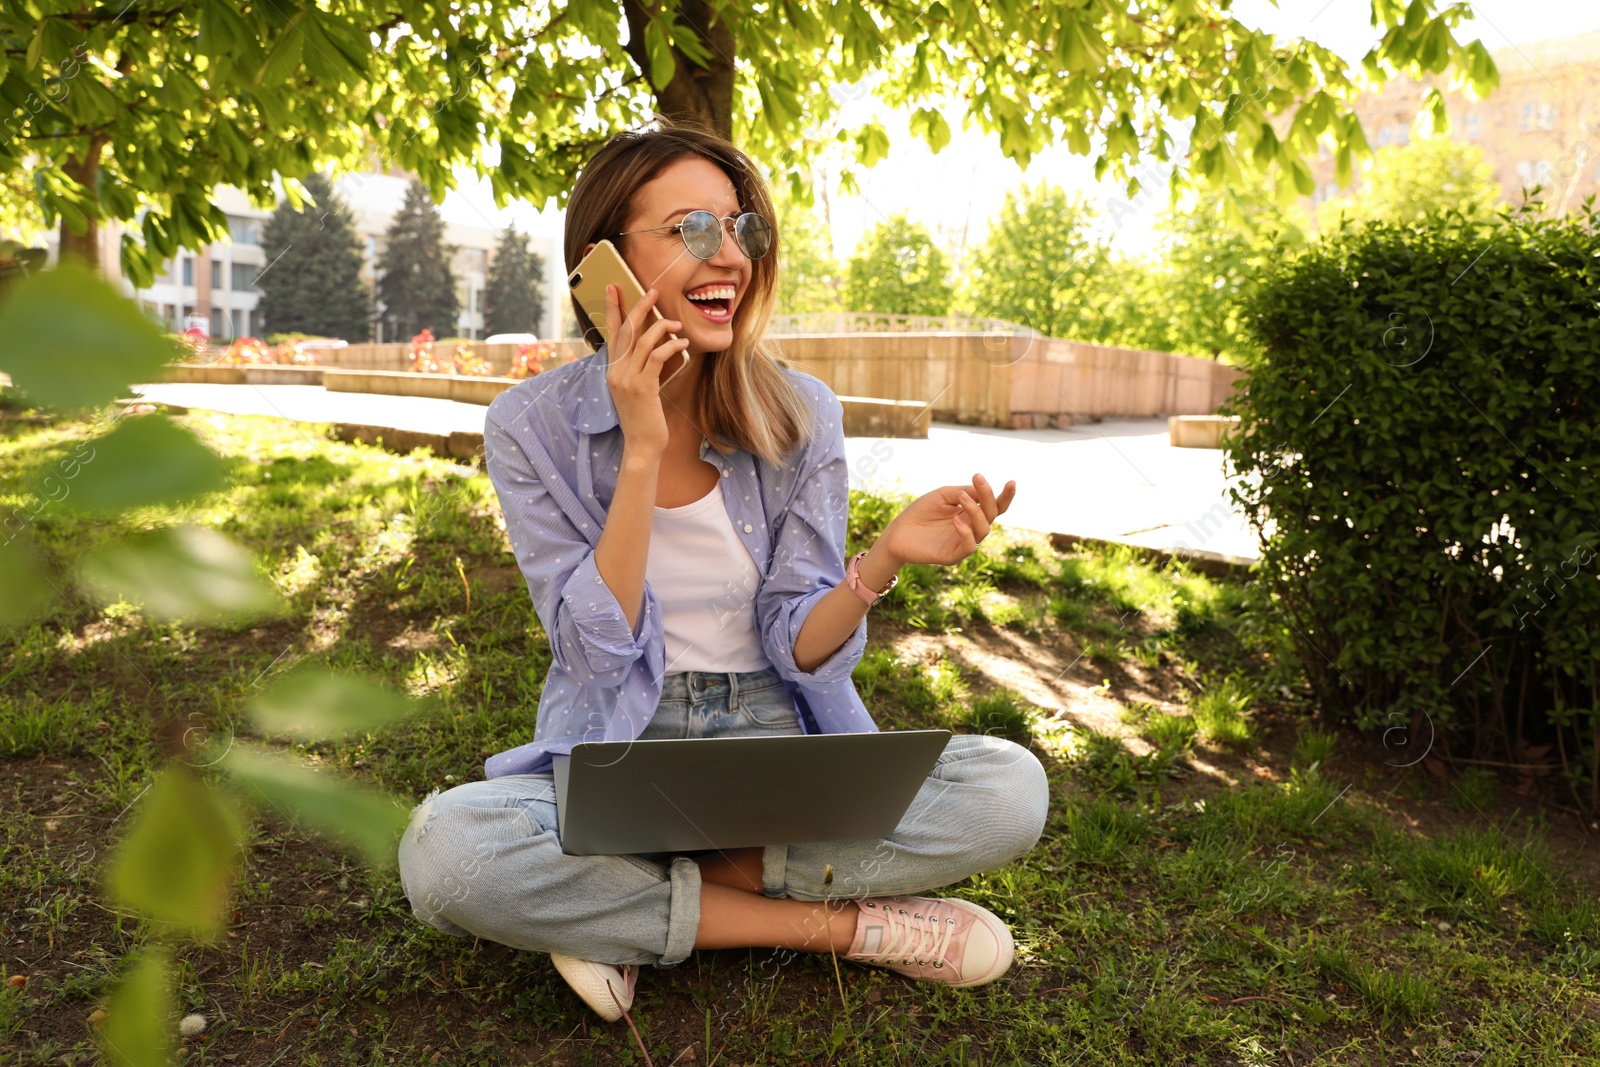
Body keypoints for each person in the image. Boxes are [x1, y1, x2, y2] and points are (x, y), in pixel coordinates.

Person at [395, 120, 1050, 1023]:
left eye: (742, 230)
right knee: (444, 849)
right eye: (692, 229)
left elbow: (801, 643)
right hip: (621, 737)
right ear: (604, 264)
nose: (730, 256)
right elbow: (594, 652)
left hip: (773, 734)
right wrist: (640, 449)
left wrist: (881, 560)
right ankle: (841, 927)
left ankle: (625, 905)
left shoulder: (801, 411)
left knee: (1011, 785)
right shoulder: (527, 425)